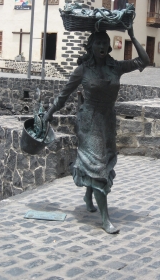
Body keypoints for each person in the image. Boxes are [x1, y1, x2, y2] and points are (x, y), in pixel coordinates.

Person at [43, 27, 149, 233]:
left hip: (107, 120)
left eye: (104, 42)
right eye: (97, 42)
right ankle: (105, 219)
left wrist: (133, 36)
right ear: (91, 46)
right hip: (88, 122)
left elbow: (144, 61)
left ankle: (87, 195)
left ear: (109, 47)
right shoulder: (82, 70)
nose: (101, 46)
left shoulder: (115, 67)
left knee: (103, 159)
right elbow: (63, 96)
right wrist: (48, 114)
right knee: (98, 165)